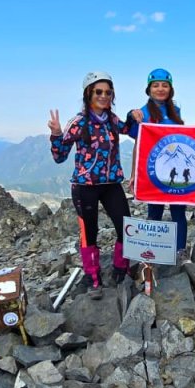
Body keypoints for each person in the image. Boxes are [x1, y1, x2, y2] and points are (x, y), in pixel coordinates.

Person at [49, 71, 134, 298]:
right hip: (84, 186)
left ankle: (120, 267)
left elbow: (131, 130)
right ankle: (92, 277)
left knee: (125, 225)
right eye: (99, 92)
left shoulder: (113, 120)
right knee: (90, 232)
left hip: (111, 183)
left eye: (108, 92)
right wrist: (56, 134)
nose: (104, 96)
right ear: (88, 94)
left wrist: (134, 115)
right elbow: (59, 157)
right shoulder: (78, 122)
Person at [126, 68, 190, 262]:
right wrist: (134, 174)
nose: (160, 89)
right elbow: (139, 144)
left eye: (165, 85)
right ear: (149, 89)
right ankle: (152, 251)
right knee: (155, 210)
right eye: (156, 85)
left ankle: (180, 250)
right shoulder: (142, 113)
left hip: (176, 170)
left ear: (170, 89)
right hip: (153, 171)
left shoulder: (176, 111)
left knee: (179, 211)